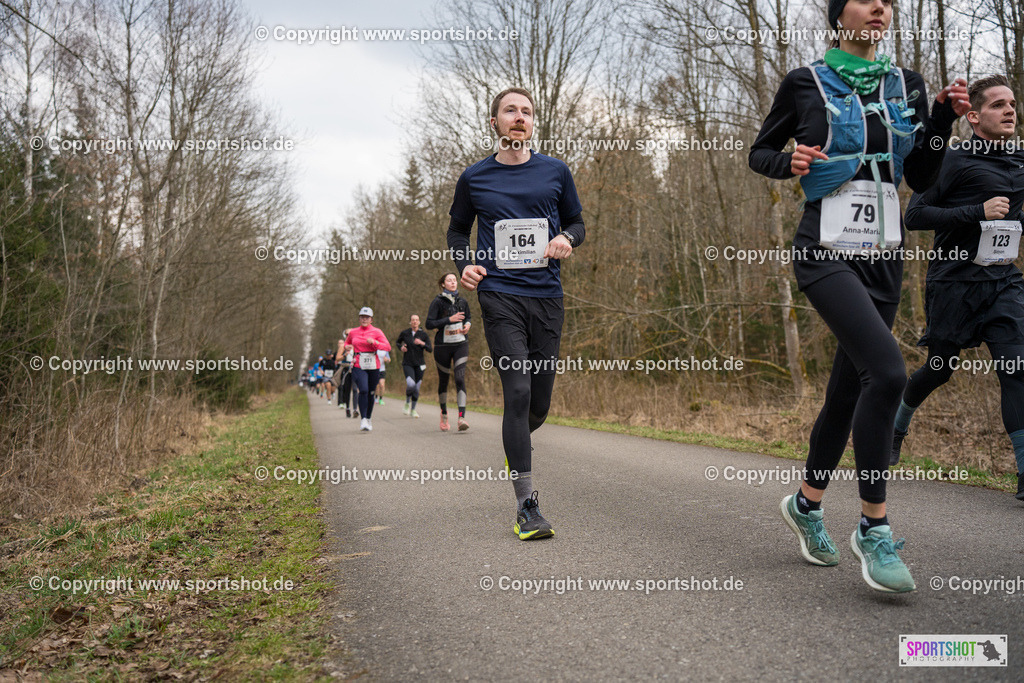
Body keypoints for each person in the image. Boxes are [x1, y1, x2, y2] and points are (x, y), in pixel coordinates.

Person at [749, 0, 969, 591]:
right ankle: (874, 527)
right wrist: (790, 161)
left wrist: (941, 119)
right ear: (838, 13)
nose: (880, 8)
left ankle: (806, 504)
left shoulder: (908, 84)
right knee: (890, 373)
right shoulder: (805, 82)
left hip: (884, 256)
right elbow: (759, 153)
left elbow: (920, 177)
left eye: (888, 1)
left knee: (849, 390)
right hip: (824, 248)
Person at [447, 86, 586, 540]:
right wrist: (464, 264)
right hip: (499, 296)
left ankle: (516, 444)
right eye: (510, 110)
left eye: (526, 111)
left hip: (546, 298)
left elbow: (577, 223)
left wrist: (567, 238)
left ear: (532, 123)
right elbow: (457, 230)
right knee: (519, 392)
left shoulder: (555, 171)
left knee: (539, 406)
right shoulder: (475, 178)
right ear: (495, 122)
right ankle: (527, 507)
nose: (519, 117)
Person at [893, 75, 1024, 502]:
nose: (1009, 110)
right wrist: (977, 211)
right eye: (998, 105)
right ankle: (897, 425)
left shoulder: (1020, 160)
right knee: (940, 368)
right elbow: (915, 216)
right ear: (974, 117)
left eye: (1012, 104)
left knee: (1016, 368)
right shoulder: (953, 159)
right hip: (954, 283)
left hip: (1002, 280)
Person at [426, 273, 473, 432]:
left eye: (454, 280)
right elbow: (429, 323)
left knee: (460, 378)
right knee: (444, 381)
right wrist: (449, 320)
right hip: (442, 346)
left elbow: (468, 317)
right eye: (449, 280)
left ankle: (461, 418)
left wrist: (467, 325)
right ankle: (444, 413)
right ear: (443, 284)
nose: (453, 282)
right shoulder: (437, 302)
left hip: (461, 344)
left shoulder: (462, 301)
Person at [341, 308, 392, 431]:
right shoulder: (353, 332)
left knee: (371, 392)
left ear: (371, 319)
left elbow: (387, 347)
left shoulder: (377, 331)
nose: (364, 319)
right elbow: (346, 343)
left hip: (374, 365)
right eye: (362, 317)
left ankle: (368, 418)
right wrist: (347, 347)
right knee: (363, 389)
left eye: (367, 317)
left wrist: (375, 342)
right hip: (359, 364)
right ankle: (363, 419)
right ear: (359, 319)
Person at [397, 314, 433, 417]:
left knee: (416, 388)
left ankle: (413, 410)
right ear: (410, 322)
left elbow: (430, 349)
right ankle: (407, 402)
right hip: (407, 363)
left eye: (416, 320)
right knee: (411, 384)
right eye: (413, 320)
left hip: (420, 365)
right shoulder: (405, 333)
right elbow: (398, 342)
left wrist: (422, 343)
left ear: (419, 322)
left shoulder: (423, 335)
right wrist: (401, 347)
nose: (415, 322)